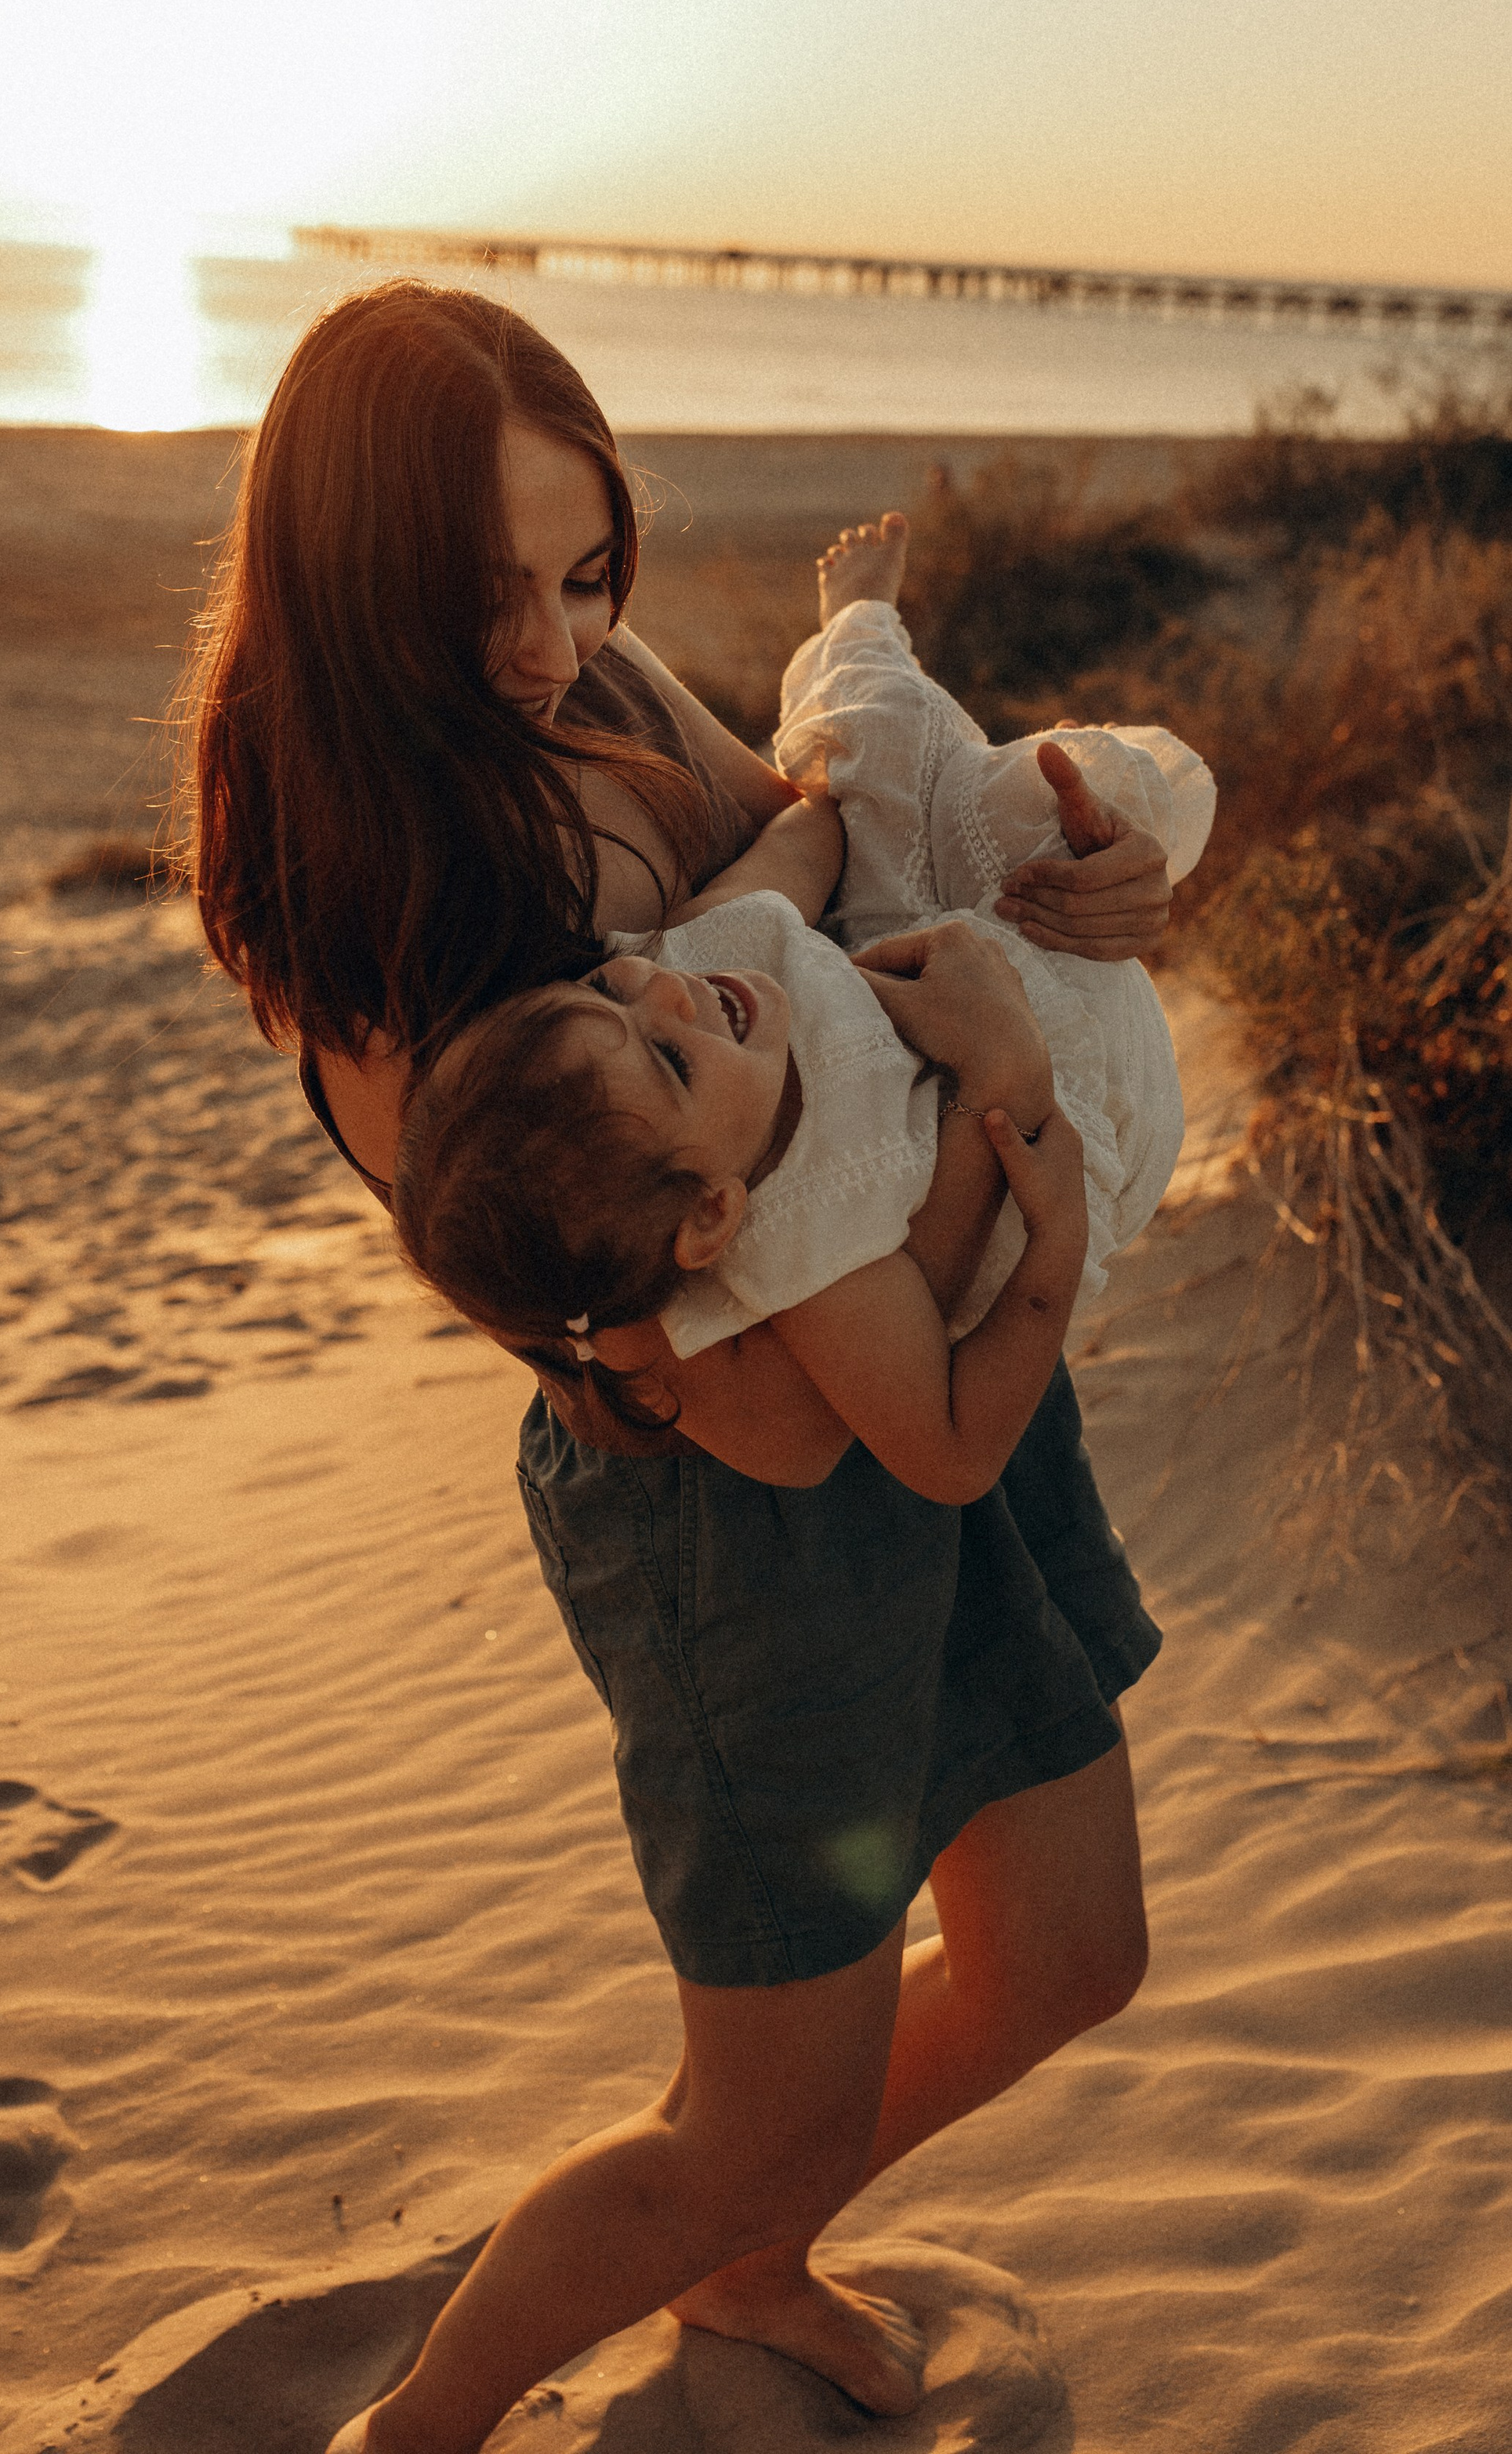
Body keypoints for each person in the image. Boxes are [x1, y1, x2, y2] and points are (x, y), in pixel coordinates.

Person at [183, 280, 1171, 2454]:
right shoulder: (394, 916)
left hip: (935, 1363)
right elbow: (775, 1409)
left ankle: (742, 2248)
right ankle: (422, 2422)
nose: (550, 642)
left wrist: (1064, 890)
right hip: (748, 1533)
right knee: (752, 2123)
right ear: (350, 584)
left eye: (585, 570)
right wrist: (1001, 1122)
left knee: (1066, 1952)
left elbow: (834, 856)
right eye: (487, 594)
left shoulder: (601, 686)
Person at [390, 510, 1217, 1477]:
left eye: (608, 990)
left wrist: (869, 796)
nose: (669, 997)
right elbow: (950, 1454)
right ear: (711, 1213)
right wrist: (1047, 1212)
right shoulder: (814, 1239)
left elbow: (809, 835)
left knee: (899, 746)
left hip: (972, 970)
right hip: (1085, 1114)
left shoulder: (695, 954)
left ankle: (859, 622)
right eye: (669, 1059)